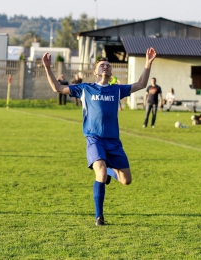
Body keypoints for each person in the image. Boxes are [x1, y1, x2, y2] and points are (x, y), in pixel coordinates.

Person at [42, 47, 157, 226]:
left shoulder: (117, 89)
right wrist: (48, 68)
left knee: (126, 181)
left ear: (111, 73)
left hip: (114, 141)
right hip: (94, 139)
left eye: (108, 66)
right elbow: (57, 87)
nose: (106, 67)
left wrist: (148, 63)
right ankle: (99, 217)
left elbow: (141, 84)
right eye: (102, 65)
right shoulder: (85, 89)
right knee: (100, 173)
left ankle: (110, 172)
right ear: (95, 71)